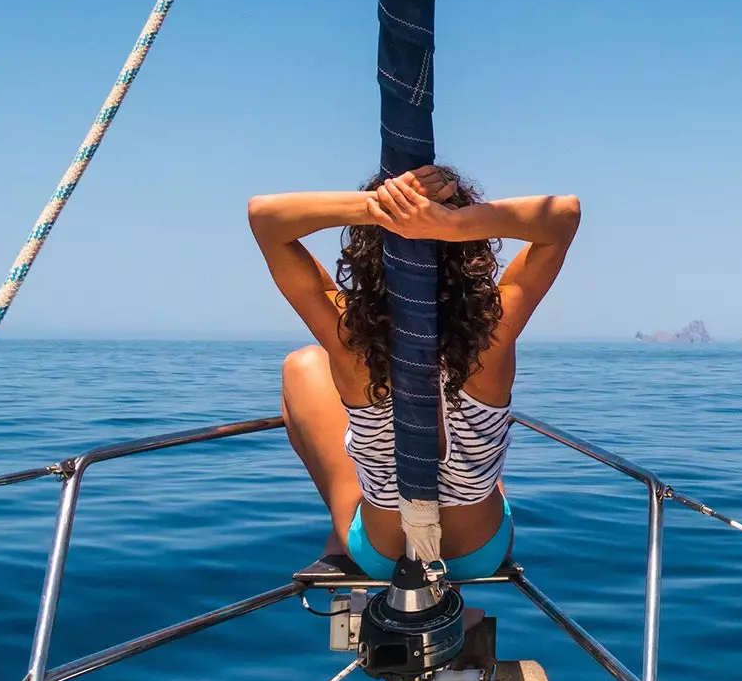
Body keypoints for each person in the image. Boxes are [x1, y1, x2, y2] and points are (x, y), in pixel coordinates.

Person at [248, 165, 580, 580]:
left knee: (303, 363)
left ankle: (343, 535)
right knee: (481, 456)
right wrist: (450, 222)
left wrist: (382, 207)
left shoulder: (349, 335)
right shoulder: (496, 324)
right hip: (482, 552)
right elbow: (564, 214)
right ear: (469, 249)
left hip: (383, 558)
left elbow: (265, 216)